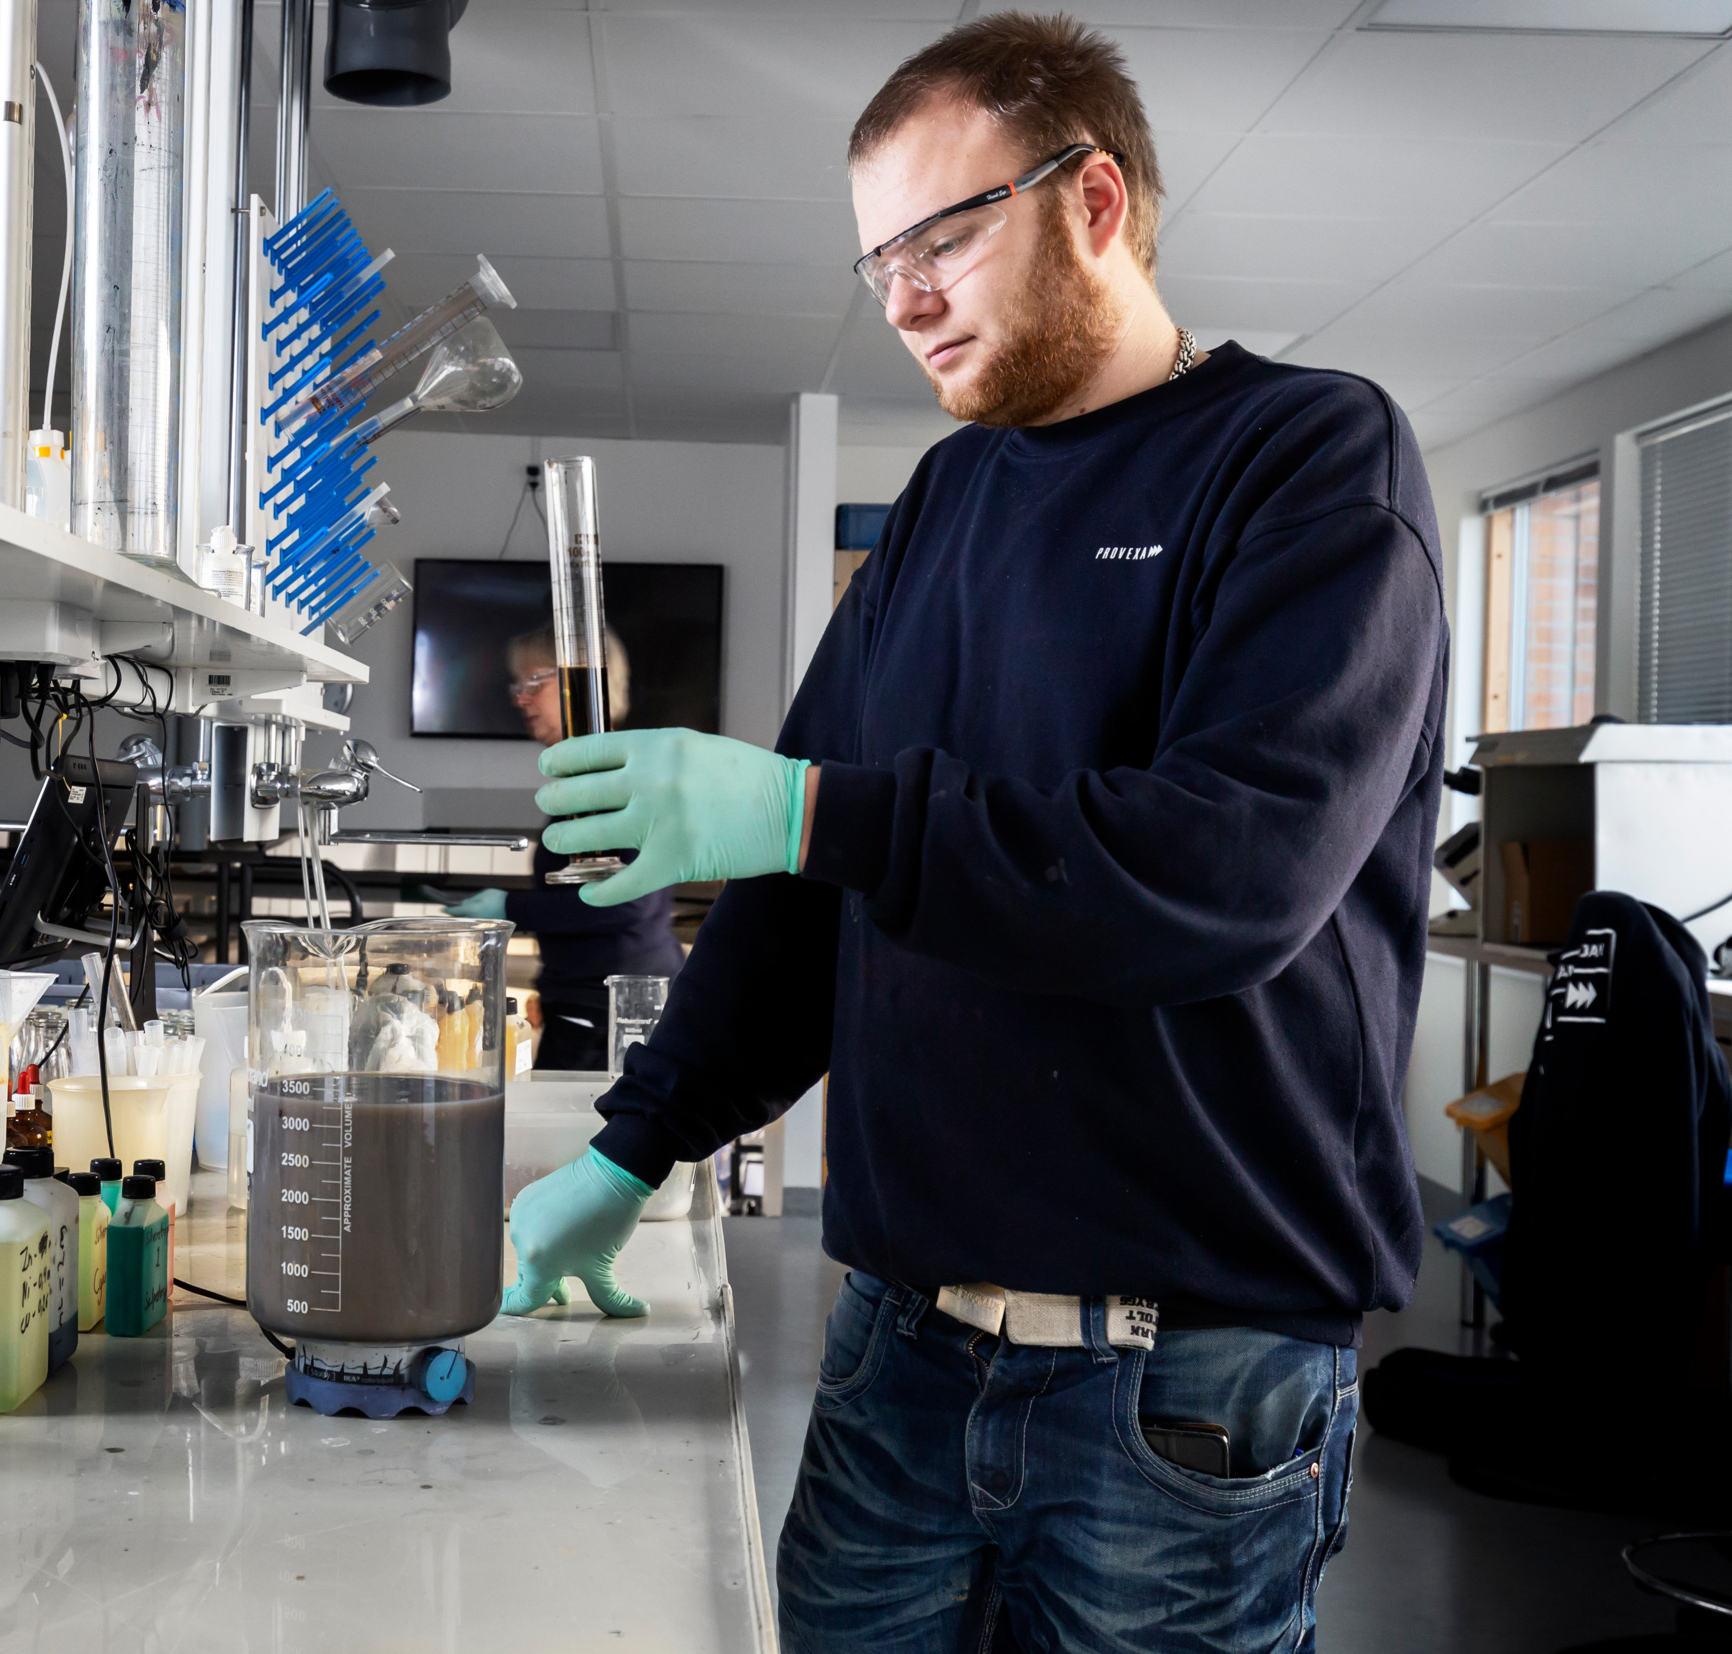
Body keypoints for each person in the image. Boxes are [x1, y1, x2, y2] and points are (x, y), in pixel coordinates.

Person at [497, 14, 1447, 1652]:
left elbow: (1226, 874)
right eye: (880, 263)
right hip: (899, 1355)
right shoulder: (944, 505)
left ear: (1091, 201)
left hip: (1187, 1383)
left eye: (945, 235)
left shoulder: (1307, 458)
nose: (908, 296)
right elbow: (808, 900)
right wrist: (628, 1147)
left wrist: (805, 803)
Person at [443, 625, 682, 1072]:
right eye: (518, 685)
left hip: (611, 1010)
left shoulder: (613, 780)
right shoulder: (597, 774)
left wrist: (511, 905)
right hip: (597, 1003)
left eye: (535, 682)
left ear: (584, 683)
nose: (521, 698)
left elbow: (627, 900)